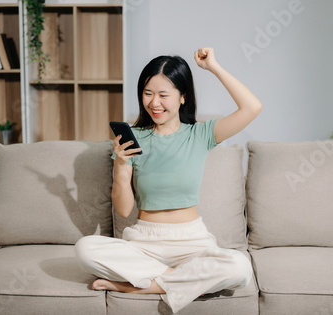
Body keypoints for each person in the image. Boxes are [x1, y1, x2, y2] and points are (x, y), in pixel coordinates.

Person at [75, 47, 262, 313]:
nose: (154, 103)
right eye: (148, 94)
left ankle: (144, 285)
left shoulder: (201, 134)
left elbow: (252, 107)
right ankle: (182, 279)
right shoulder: (133, 139)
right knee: (85, 248)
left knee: (240, 267)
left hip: (192, 241)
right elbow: (125, 209)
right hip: (144, 241)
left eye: (163, 95)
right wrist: (120, 164)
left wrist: (214, 67)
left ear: (183, 97)